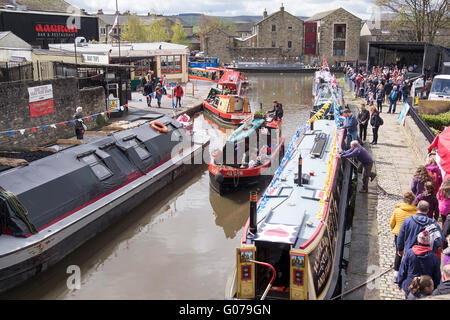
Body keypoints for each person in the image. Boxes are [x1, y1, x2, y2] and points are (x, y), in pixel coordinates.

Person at [397, 230, 441, 297]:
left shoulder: (410, 253)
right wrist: (435, 287)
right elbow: (437, 275)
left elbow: (403, 269)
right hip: (426, 287)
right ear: (429, 241)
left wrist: (399, 282)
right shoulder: (434, 257)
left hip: (410, 285)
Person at [390, 191, 418, 280]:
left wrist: (395, 229)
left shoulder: (397, 210)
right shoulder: (416, 212)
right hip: (411, 235)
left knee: (398, 252)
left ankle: (396, 272)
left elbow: (392, 223)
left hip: (398, 234)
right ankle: (406, 271)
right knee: (408, 253)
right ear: (413, 200)